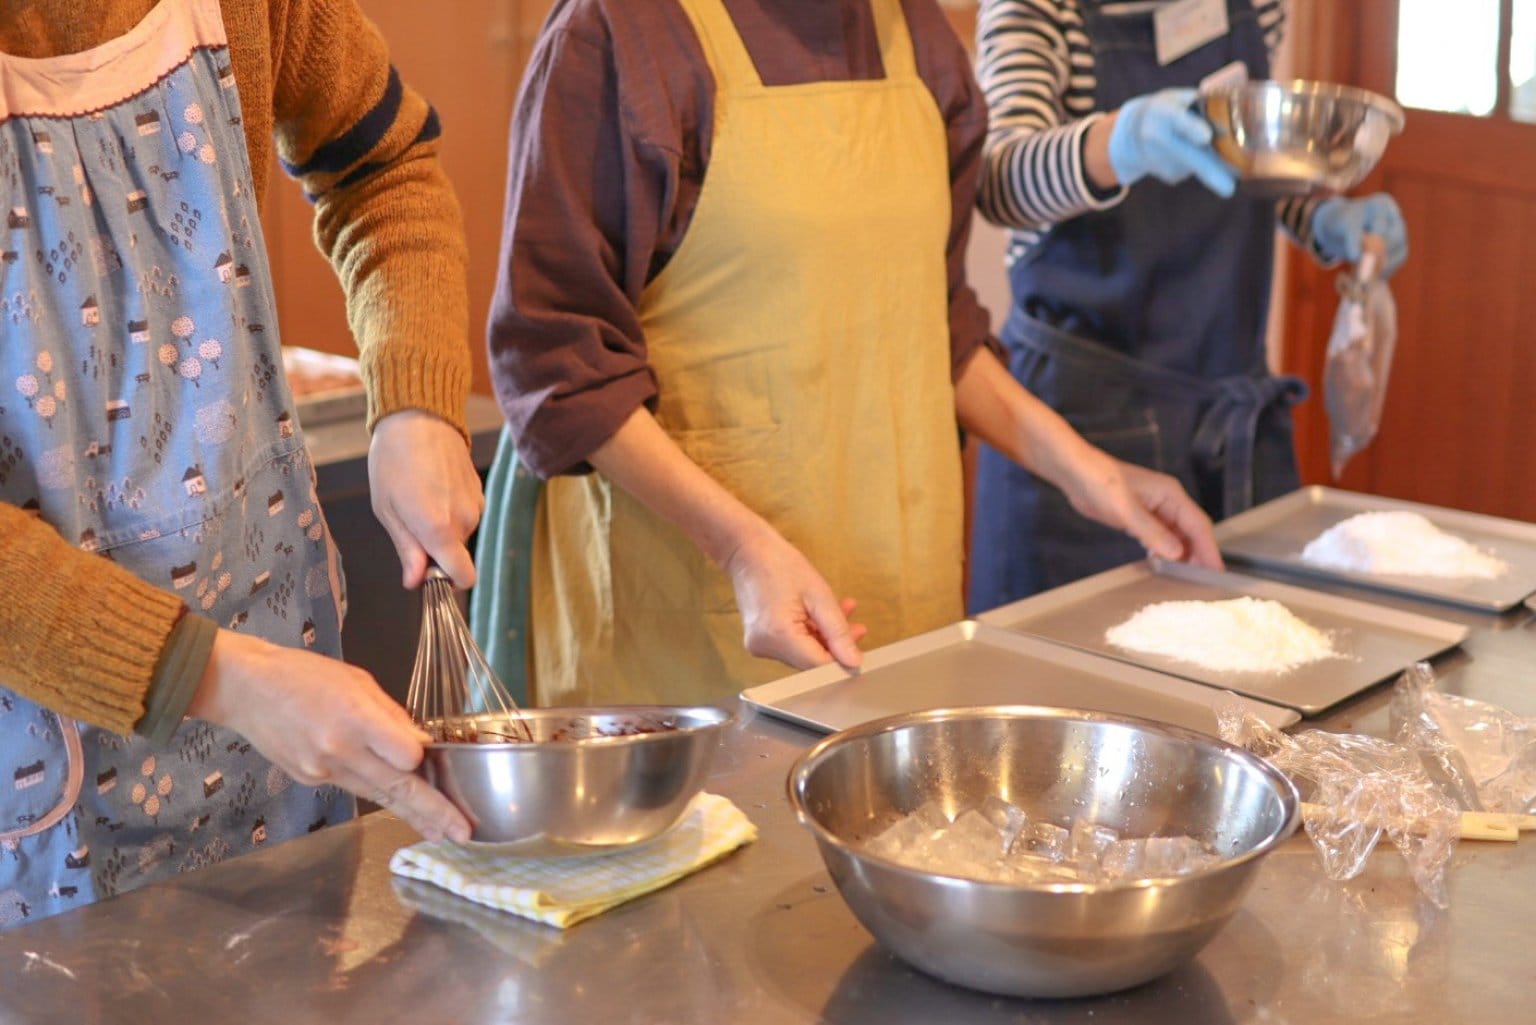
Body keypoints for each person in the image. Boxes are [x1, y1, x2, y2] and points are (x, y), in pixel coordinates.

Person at [473, 0, 1221, 710]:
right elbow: (556, 358)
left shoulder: (915, 36)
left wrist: (1090, 471)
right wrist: (738, 550)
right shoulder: (624, 34)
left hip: (896, 609)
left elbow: (935, 328)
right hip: (682, 635)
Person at [0, 0, 480, 929]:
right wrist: (225, 679)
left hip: (275, 740)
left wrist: (415, 400)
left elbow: (383, 164)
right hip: (38, 797)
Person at [967, 0, 1409, 610]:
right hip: (1086, 422)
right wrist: (1117, 142)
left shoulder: (1257, 8)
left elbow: (1242, 156)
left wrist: (1319, 218)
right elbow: (998, 181)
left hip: (1229, 414)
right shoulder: (1039, 10)